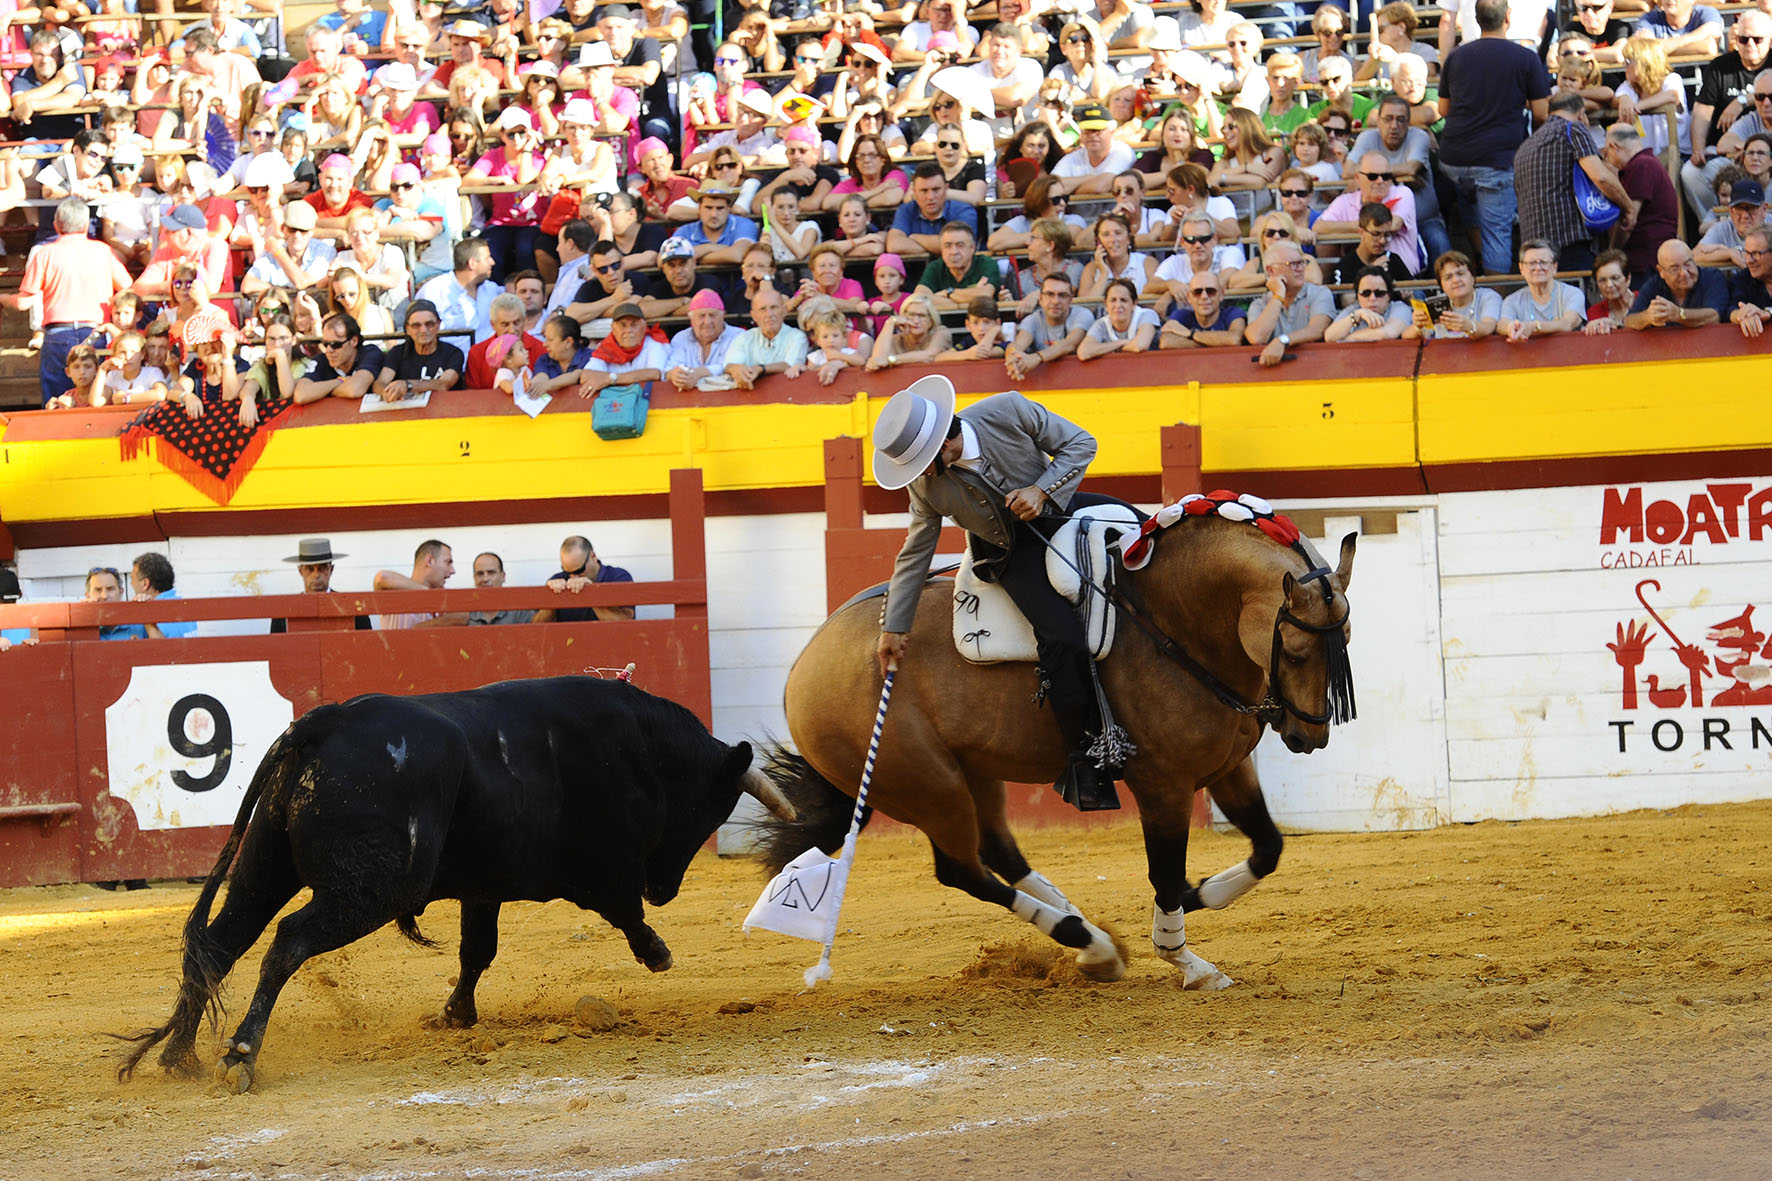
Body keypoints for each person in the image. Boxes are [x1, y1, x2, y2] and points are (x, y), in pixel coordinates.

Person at [872, 379, 1121, 811]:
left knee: (1143, 533)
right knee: (1060, 637)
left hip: (1062, 510)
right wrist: (894, 626)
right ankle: (1085, 759)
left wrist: (1041, 489)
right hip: (1009, 551)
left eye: (921, 464)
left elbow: (1082, 443)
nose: (920, 476)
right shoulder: (925, 486)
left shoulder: (1008, 409)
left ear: (943, 443)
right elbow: (916, 552)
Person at [1437, 0, 1551, 274]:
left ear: (1476, 20)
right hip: (1496, 161)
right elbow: (1542, 113)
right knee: (1496, 234)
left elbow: (1443, 109)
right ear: (1508, 17)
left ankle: (1479, 265)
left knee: (1472, 210)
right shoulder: (1526, 58)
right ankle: (1496, 301)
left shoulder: (1455, 56)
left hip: (1454, 160)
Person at [7, 198, 132, 406]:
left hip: (58, 335)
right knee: (96, 399)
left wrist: (3, 299)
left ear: (57, 224)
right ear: (85, 225)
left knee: (55, 403)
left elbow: (23, 303)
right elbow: (127, 286)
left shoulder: (45, 253)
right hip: (95, 332)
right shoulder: (102, 250)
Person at [1513, 91, 1632, 275]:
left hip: (1534, 251)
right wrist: (1628, 207)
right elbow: (1600, 177)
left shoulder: (1525, 146)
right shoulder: (1573, 129)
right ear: (1581, 113)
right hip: (1570, 241)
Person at [1682, 10, 1772, 224]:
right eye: (1743, 39)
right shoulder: (1720, 67)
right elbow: (1703, 112)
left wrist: (1742, 101)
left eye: (1758, 39)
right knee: (1691, 172)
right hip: (1733, 155)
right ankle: (1717, 222)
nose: (1750, 44)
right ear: (1735, 40)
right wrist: (1698, 150)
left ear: (1770, 40)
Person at [1346, 92, 1450, 263]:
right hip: (1381, 225)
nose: (1394, 125)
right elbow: (1348, 170)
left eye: (1401, 119)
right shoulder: (1367, 137)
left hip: (1424, 219)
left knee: (1440, 243)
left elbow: (1412, 167)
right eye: (1388, 119)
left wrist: (1369, 174)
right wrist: (1400, 175)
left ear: (1409, 122)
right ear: (1378, 121)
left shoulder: (1419, 136)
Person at [1317, 151, 1423, 275]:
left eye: (1386, 176)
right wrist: (1358, 226)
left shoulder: (1403, 193)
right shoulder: (1346, 200)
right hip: (1359, 282)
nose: (1380, 181)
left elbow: (1392, 224)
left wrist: (1360, 228)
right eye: (1372, 176)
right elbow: (1318, 226)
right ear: (1357, 178)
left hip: (1402, 280)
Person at [1244, 240, 1335, 367]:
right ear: (1270, 271)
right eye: (1292, 264)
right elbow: (1257, 337)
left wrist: (1283, 341)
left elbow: (1317, 330)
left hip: (1315, 367)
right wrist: (1278, 296)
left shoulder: (1320, 293)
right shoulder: (1259, 304)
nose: (1300, 269)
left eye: (1302, 263)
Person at [413, 238, 503, 351]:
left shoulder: (493, 290)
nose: (492, 262)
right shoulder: (434, 291)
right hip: (449, 364)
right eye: (487, 258)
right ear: (472, 263)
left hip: (487, 364)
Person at [270, 538, 371, 633]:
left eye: (322, 568)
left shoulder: (354, 609)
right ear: (300, 571)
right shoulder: (283, 613)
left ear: (331, 570)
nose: (316, 575)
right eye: (310, 569)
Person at [1625, 240, 1730, 330]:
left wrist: (1679, 314)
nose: (1684, 273)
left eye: (1688, 264)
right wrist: (1647, 317)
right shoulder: (1653, 285)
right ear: (1661, 271)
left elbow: (1714, 316)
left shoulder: (1712, 277)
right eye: (1675, 268)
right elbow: (1629, 321)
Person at [1005, 273, 1092, 379]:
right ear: (1040, 299)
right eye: (1050, 294)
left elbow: (1070, 344)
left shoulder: (1082, 314)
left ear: (1070, 300)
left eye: (1062, 295)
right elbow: (1018, 344)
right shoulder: (1032, 320)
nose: (1055, 301)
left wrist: (1037, 357)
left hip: (1080, 378)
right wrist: (1013, 357)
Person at [374, 300, 465, 402]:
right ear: (407, 328)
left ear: (438, 325)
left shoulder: (453, 353)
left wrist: (408, 385)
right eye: (416, 325)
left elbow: (445, 384)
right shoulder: (397, 353)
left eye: (429, 324)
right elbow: (380, 383)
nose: (423, 330)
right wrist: (388, 392)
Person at [1497, 240, 1588, 340]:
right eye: (1531, 263)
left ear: (1555, 267)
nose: (1538, 268)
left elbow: (1568, 323)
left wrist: (1534, 327)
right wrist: (1511, 328)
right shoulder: (1512, 300)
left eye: (1543, 262)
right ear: (1521, 268)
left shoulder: (1572, 293)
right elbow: (1502, 324)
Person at [372, 539, 467, 629]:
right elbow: (382, 577)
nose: (452, 571)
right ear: (429, 560)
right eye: (447, 562)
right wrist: (428, 593)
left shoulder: (443, 597)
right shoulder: (395, 590)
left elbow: (465, 616)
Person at [1406, 250, 1502, 339]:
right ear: (1441, 285)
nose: (1456, 280)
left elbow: (1489, 327)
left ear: (1473, 277)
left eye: (1460, 273)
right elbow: (1408, 335)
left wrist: (1468, 326)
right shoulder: (1436, 303)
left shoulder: (1489, 297)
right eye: (1448, 277)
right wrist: (1418, 327)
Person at [725, 287, 809, 388]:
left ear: (784, 311)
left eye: (774, 307)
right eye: (762, 309)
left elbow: (791, 365)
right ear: (754, 315)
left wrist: (761, 369)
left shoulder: (797, 337)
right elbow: (729, 364)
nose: (769, 314)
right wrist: (737, 369)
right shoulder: (744, 338)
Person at [888, 165, 979, 258]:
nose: (930, 197)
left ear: (946, 188)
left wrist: (914, 237)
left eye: (936, 190)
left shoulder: (964, 211)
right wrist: (936, 247)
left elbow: (962, 245)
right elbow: (893, 245)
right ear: (914, 192)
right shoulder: (906, 210)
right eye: (924, 191)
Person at [293, 312, 386, 403]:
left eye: (336, 344)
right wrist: (340, 381)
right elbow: (301, 395)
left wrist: (320, 392)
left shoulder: (370, 353)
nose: (329, 350)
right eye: (326, 344)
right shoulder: (321, 359)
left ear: (354, 341)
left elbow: (355, 389)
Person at [541, 535, 634, 622]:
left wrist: (591, 594)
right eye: (567, 572)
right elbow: (536, 627)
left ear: (593, 556)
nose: (573, 577)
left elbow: (626, 622)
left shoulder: (618, 576)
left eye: (579, 570)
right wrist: (552, 600)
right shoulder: (558, 579)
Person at [583, 302, 669, 394]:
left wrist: (610, 379)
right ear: (613, 329)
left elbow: (655, 373)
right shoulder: (605, 347)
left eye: (633, 325)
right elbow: (586, 376)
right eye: (623, 325)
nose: (628, 330)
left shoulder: (655, 344)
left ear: (644, 327)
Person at [1324, 205, 1415, 291]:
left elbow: (1416, 296)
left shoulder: (1393, 260)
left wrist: (1409, 298)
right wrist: (1371, 273)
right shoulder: (1346, 266)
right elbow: (1347, 302)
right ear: (1361, 232)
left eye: (1387, 234)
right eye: (1376, 234)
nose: (1382, 240)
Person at [913, 221, 998, 312]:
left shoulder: (986, 264)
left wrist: (948, 293)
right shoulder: (935, 267)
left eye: (960, 245)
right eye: (948, 246)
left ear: (972, 248)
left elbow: (985, 295)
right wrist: (961, 302)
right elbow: (919, 297)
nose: (954, 251)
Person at [665, 290, 743, 389]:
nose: (707, 322)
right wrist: (674, 375)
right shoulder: (681, 338)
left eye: (712, 315)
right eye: (701, 316)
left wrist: (699, 373)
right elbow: (668, 370)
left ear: (723, 316)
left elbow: (734, 365)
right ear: (691, 319)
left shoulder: (739, 336)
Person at [1160, 270, 1248, 348]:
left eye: (1210, 291)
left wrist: (1190, 334)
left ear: (1221, 295)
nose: (1204, 296)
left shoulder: (1233, 313)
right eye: (1197, 292)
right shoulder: (1181, 315)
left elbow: (1234, 339)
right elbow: (1166, 342)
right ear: (1189, 297)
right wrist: (1216, 343)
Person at [122, 552, 197, 640]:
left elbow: (160, 649)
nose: (131, 584)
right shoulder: (186, 607)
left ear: (145, 583)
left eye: (132, 579)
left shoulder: (154, 611)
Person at [1078, 278, 1160, 359]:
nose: (1118, 305)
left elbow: (1140, 345)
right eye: (1113, 300)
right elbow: (1084, 352)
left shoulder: (1147, 315)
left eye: (1123, 300)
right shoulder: (1102, 324)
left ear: (1134, 304)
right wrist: (1121, 343)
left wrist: (1103, 348)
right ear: (1106, 305)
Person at [1695, 179, 1767, 270]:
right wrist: (1728, 253)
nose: (1745, 215)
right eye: (1739, 209)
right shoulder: (1721, 228)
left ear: (1764, 210)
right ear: (1731, 212)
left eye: (1751, 208)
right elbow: (1694, 255)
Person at [1325, 268, 1413, 342]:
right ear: (1358, 296)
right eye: (1366, 293)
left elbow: (1387, 333)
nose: (1372, 298)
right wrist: (1355, 316)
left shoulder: (1399, 308)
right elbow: (1329, 336)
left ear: (1389, 296)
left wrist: (1345, 339)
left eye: (1379, 293)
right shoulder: (1354, 310)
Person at [467, 552, 535, 626]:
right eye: (480, 574)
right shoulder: (465, 612)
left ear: (503, 576)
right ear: (474, 578)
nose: (485, 579)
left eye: (491, 572)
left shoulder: (520, 611)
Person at [1727, 227, 1772, 337]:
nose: (1748, 260)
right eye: (1746, 253)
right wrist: (1744, 314)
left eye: (1756, 254)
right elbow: (1732, 310)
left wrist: (1768, 313)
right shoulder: (1743, 278)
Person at [1584, 250, 1637, 334]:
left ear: (1628, 278)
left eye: (1615, 278)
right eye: (1602, 280)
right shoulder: (1594, 312)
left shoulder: (1646, 301)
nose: (1609, 285)